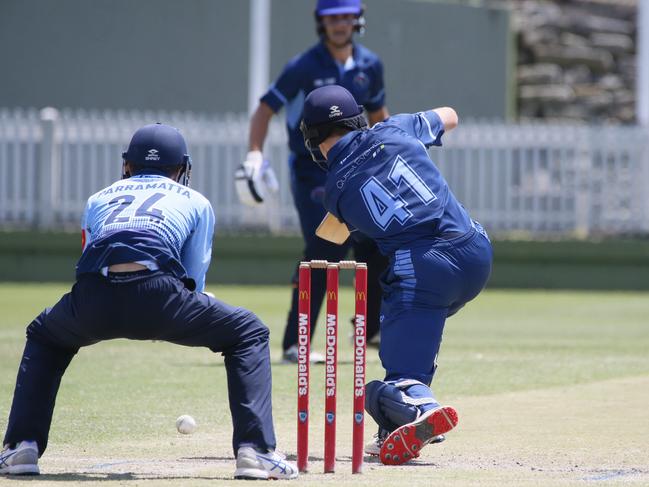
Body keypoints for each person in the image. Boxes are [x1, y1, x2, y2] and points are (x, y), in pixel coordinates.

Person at [0, 123, 298, 480]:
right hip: (159, 295)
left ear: (127, 165)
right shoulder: (196, 201)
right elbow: (194, 278)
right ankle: (255, 452)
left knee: (45, 334)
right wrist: (168, 314)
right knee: (248, 331)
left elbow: (89, 261)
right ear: (182, 169)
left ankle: (21, 448)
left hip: (95, 296)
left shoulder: (99, 197)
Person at [299, 85, 493, 465]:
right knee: (416, 333)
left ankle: (412, 403)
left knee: (390, 380)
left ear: (312, 138)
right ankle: (393, 427)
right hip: (474, 248)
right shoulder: (394, 129)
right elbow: (450, 113)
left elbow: (332, 234)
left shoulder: (334, 193)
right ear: (357, 118)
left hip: (424, 269)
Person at [235, 0, 389, 362]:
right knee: (326, 248)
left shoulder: (370, 65)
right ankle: (295, 342)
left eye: (346, 17)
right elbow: (265, 109)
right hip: (311, 171)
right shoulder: (303, 66)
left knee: (377, 245)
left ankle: (367, 333)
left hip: (358, 167)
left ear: (357, 20)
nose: (340, 25)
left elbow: (380, 116)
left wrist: (387, 155)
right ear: (321, 23)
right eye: (332, 18)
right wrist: (255, 153)